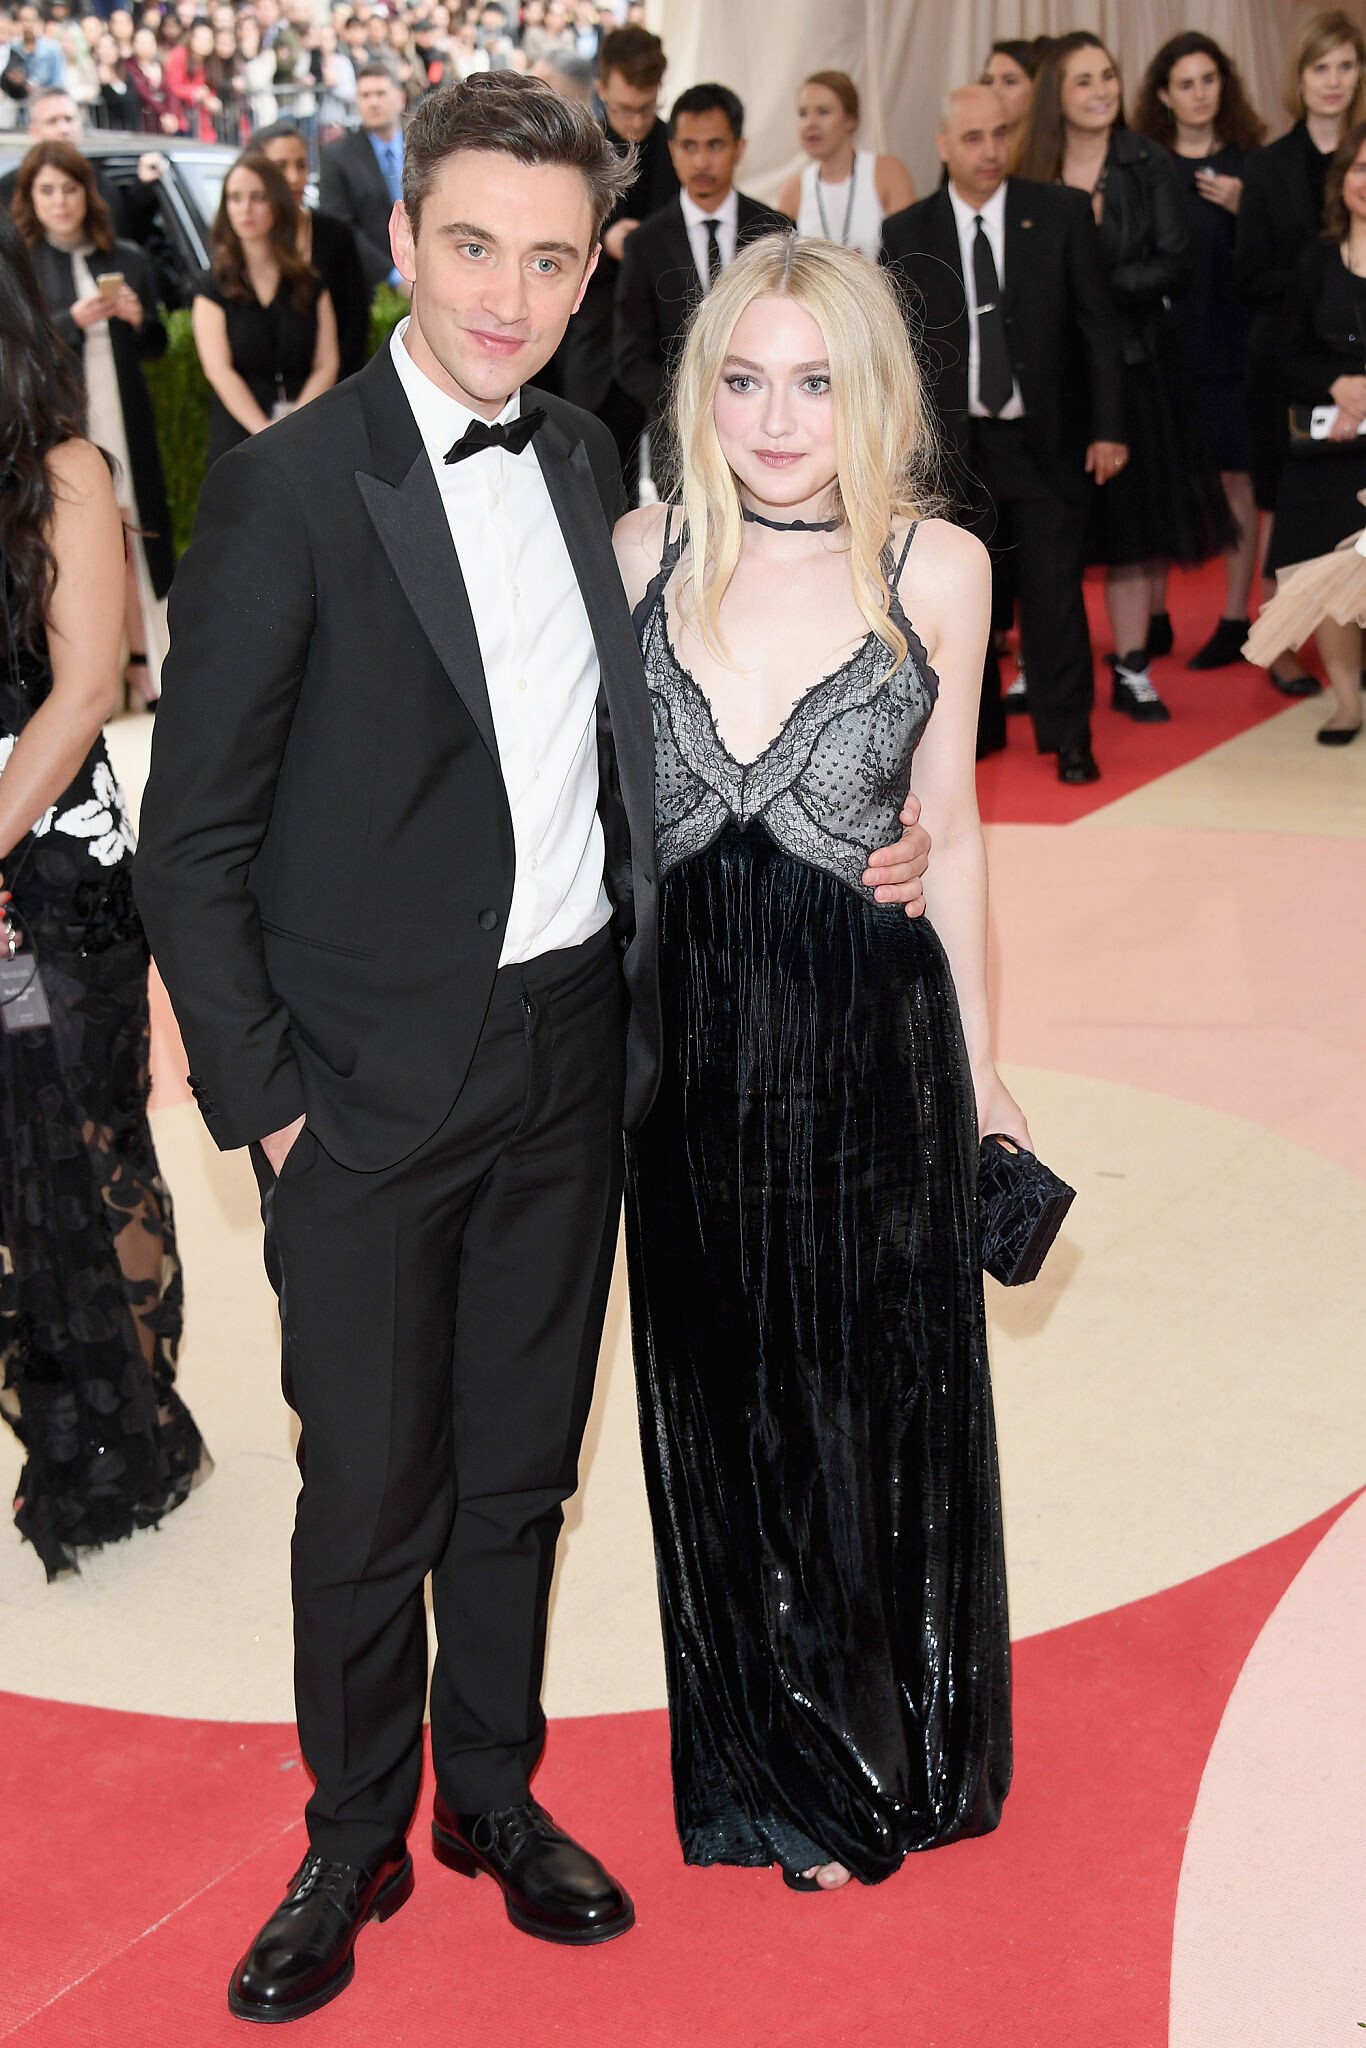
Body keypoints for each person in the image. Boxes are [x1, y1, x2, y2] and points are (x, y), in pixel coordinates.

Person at [137, 70, 930, 2021]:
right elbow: (194, 838)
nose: (506, 294)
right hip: (360, 1096)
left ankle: (491, 1791)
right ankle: (353, 1828)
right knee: (367, 1493)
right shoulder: (290, 489)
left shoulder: (587, 463)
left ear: (591, 273)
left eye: (549, 259)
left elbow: (690, 732)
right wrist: (272, 1113)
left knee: (517, 1472)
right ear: (404, 240)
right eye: (472, 245)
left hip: (575, 1054)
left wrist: (865, 839)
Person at [613, 232, 1016, 1893]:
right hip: (684, 1063)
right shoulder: (642, 548)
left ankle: (862, 1742)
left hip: (868, 1049)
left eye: (816, 382)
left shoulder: (937, 567)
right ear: (699, 391)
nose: (778, 420)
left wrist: (988, 1076)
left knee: (857, 1401)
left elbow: (955, 830)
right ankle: (753, 1747)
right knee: (720, 1398)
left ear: (876, 395)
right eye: (744, 379)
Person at [0, 210, 208, 1581]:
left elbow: (84, 692)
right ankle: (58, 1427)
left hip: (56, 864)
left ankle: (133, 1429)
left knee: (91, 1141)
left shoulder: (65, 471)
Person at [882, 85, 1126, 783]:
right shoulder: (909, 232)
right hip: (953, 453)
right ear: (943, 146)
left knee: (1055, 593)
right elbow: (897, 355)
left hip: (1045, 441)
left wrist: (1109, 428)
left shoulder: (1061, 213)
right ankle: (978, 731)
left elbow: (1098, 328)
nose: (990, 150)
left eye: (1000, 134)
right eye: (973, 137)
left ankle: (1068, 734)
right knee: (962, 597)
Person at [1019, 33, 1232, 722]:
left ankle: (1133, 667)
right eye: (1083, 80)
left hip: (1135, 367)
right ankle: (1036, 663)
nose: (1102, 90)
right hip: (1051, 377)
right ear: (1056, 95)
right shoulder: (1031, 166)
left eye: (1107, 75)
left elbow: (1174, 263)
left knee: (1133, 532)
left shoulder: (1146, 161)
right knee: (1048, 529)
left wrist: (1091, 284)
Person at [14, 140, 173, 703]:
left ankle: (143, 662)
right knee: (82, 544)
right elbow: (21, 346)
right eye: (47, 191)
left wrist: (137, 317)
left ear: (88, 194)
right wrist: (72, 321)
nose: (60, 201)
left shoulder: (124, 255)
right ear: (30, 199)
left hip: (122, 409)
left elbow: (157, 343)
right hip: (63, 420)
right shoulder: (23, 265)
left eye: (70, 188)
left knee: (133, 538)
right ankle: (93, 674)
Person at [1237, 8, 1366, 699]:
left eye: (1347, 66)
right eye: (1321, 67)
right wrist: (1325, 280)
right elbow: (1250, 273)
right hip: (1293, 364)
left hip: (1358, 357)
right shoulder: (1269, 165)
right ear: (1300, 77)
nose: (1334, 80)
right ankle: (1282, 645)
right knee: (1290, 515)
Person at [1134, 34, 1266, 671]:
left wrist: (1247, 208)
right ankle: (1154, 617)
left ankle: (1237, 617)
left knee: (1236, 479)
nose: (1199, 94)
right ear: (1164, 94)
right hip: (1164, 347)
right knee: (1164, 481)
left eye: (1209, 79)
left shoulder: (1251, 164)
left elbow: (1277, 258)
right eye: (1185, 83)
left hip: (1233, 346)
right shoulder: (1146, 164)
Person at [613, 81, 791, 493]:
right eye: (689, 146)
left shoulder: (775, 230)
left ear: (739, 148)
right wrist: (690, 403)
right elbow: (630, 355)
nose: (701, 160)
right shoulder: (645, 243)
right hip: (677, 439)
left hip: (768, 431)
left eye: (715, 145)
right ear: (672, 150)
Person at [1264, 120, 1366, 745]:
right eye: (1360, 168)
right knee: (1330, 569)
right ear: (1342, 180)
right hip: (1329, 447)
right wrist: (1336, 384)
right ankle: (1347, 701)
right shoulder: (1316, 260)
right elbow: (1282, 356)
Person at [560, 23, 676, 501]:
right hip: (598, 345)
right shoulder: (577, 152)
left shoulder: (677, 147)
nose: (636, 121)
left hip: (666, 345)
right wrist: (601, 240)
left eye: (647, 108)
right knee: (601, 488)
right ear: (601, 88)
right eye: (625, 108)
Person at [191, 149, 339, 468]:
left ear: (277, 203)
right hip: (239, 440)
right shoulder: (212, 286)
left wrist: (295, 424)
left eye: (257, 197)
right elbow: (218, 369)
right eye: (235, 198)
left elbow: (327, 362)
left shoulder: (309, 283)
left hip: (306, 432)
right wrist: (265, 431)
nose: (245, 208)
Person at [256, 117, 370, 377]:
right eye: (280, 166)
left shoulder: (336, 235)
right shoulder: (246, 238)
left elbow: (356, 323)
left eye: (301, 165)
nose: (294, 177)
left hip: (336, 386)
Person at [776, 69, 913, 260]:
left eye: (823, 112)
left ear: (851, 119)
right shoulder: (793, 189)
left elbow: (909, 251)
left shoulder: (888, 172)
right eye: (803, 113)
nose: (810, 123)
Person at [318, 58, 407, 292]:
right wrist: (394, 277)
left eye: (380, 93)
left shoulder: (423, 148)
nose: (373, 102)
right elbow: (339, 227)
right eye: (365, 95)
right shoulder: (336, 156)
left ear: (400, 99)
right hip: (371, 288)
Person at [980, 37, 1048, 168]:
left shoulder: (1051, 159)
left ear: (1038, 89)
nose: (994, 92)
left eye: (1009, 81)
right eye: (988, 81)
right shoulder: (967, 151)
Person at [125, 22, 181, 134]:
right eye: (142, 42)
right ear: (133, 45)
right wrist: (164, 113)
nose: (147, 46)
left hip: (160, 125)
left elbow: (170, 92)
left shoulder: (159, 67)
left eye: (150, 42)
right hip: (140, 124)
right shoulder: (128, 67)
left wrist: (172, 114)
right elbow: (143, 92)